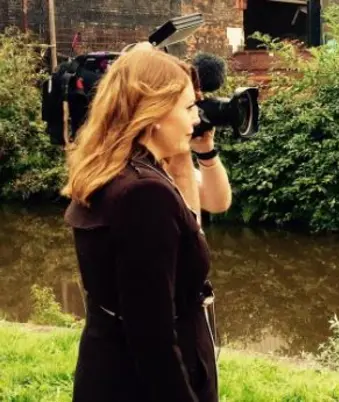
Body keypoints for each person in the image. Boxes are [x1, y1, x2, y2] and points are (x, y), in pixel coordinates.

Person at [62, 45, 231, 402]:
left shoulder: (110, 170)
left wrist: (187, 161)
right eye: (187, 108)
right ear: (153, 113)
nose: (195, 120)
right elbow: (151, 337)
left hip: (109, 368)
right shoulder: (145, 195)